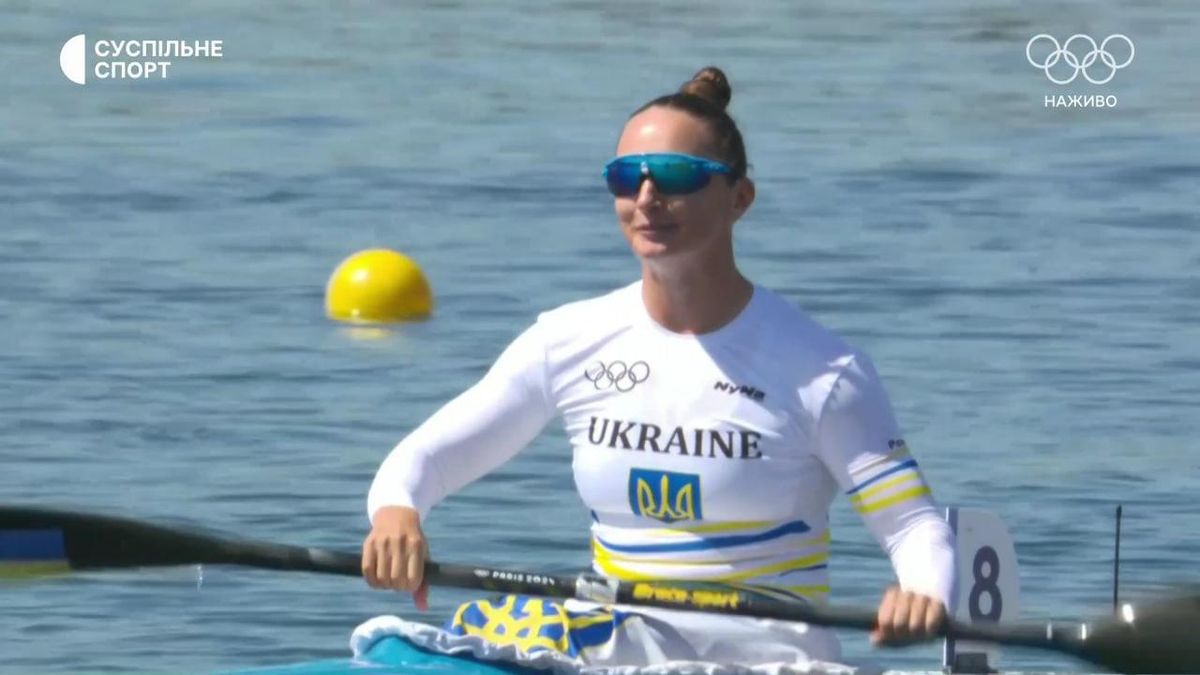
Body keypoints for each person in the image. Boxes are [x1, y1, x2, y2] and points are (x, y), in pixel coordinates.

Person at [361, 66, 956, 666]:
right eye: (627, 178)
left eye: (675, 176)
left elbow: (914, 528)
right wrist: (397, 516)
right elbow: (423, 460)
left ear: (739, 198)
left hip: (766, 659)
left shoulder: (822, 371)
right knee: (395, 649)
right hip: (619, 646)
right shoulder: (567, 341)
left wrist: (923, 595)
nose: (646, 198)